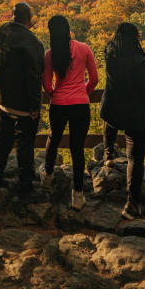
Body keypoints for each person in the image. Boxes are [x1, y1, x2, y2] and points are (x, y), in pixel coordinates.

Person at [99, 22, 145, 220]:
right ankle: (131, 202)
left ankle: (108, 153)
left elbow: (111, 44)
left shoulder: (110, 52)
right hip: (136, 114)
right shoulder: (139, 62)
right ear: (135, 38)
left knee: (110, 122)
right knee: (135, 158)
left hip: (113, 107)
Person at [41, 15, 99, 210]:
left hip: (58, 104)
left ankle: (47, 175)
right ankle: (78, 195)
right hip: (80, 105)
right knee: (77, 148)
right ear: (68, 29)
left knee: (53, 139)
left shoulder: (50, 54)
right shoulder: (84, 48)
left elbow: (47, 85)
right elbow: (95, 79)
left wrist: (55, 95)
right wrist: (83, 92)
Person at [0, 1, 44, 195]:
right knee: (25, 144)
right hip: (23, 104)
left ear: (12, 16)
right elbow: (34, 77)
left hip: (3, 99)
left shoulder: (2, 33)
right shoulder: (33, 43)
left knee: (2, 140)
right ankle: (25, 185)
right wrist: (35, 106)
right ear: (29, 19)